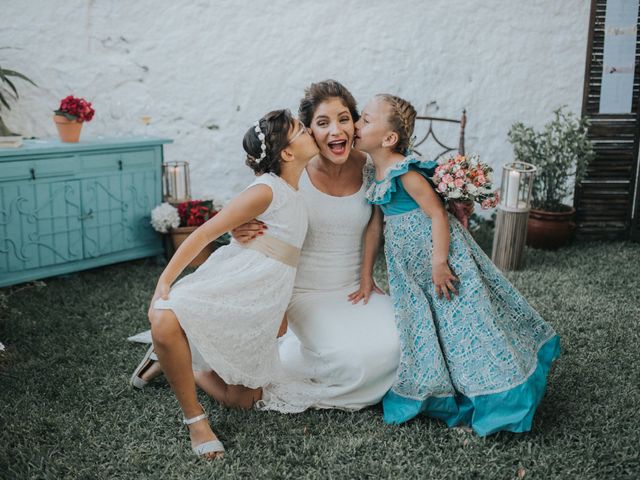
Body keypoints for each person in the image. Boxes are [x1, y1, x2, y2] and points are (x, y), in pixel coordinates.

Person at [354, 93, 560, 436]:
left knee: (465, 321)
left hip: (441, 260)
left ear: (389, 138)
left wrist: (439, 262)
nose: (357, 125)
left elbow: (437, 214)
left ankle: (501, 395)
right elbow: (375, 226)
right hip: (408, 267)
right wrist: (365, 276)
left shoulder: (406, 173)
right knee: (430, 327)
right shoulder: (374, 175)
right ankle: (443, 390)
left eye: (364, 119)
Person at [145, 109, 318, 458]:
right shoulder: (266, 190)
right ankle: (196, 420)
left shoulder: (296, 188)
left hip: (264, 296)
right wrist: (163, 282)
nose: (310, 129)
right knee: (165, 316)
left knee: (243, 400)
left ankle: (174, 361)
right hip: (236, 281)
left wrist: (281, 307)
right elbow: (207, 231)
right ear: (286, 152)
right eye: (302, 129)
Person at [234, 80, 400, 412]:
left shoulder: (370, 166)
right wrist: (240, 229)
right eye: (322, 123)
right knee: (357, 363)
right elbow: (250, 213)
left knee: (404, 345)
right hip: (304, 293)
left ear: (355, 123)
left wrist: (367, 276)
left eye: (343, 119)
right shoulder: (292, 172)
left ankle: (308, 354)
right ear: (309, 131)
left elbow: (375, 223)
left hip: (354, 287)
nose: (335, 130)